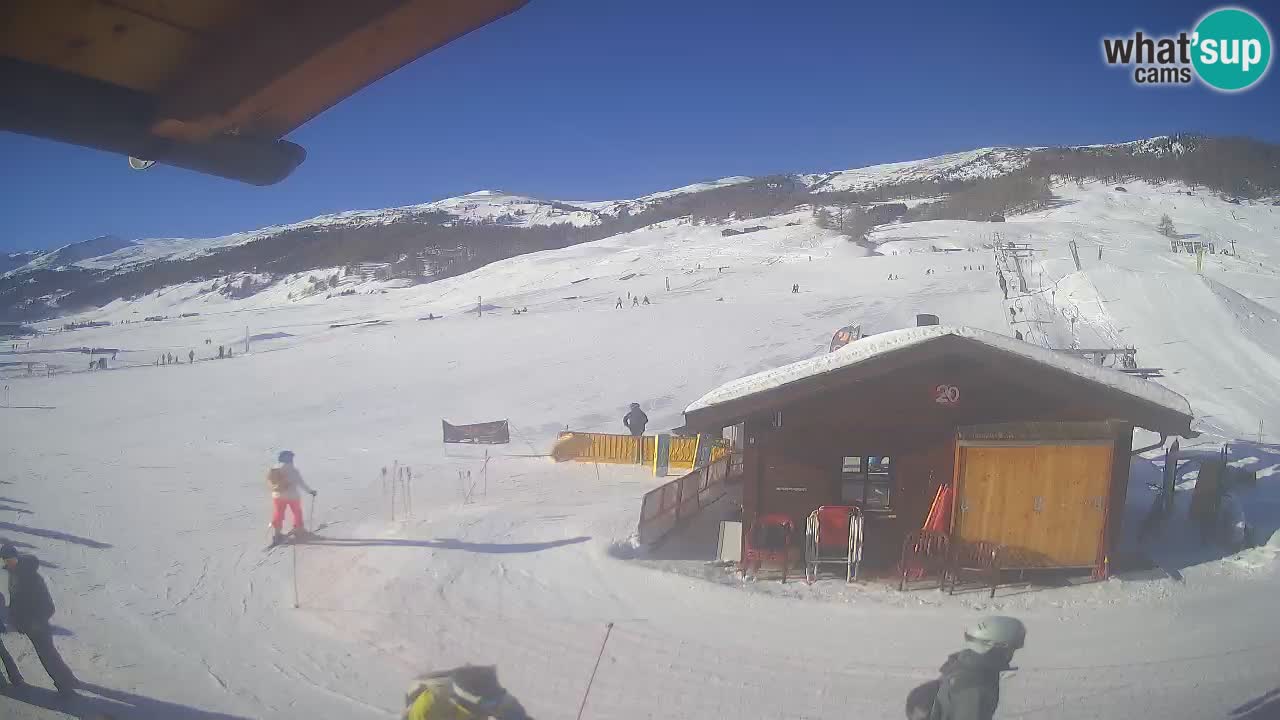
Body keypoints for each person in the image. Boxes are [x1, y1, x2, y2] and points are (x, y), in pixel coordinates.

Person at [909, 616, 1026, 720]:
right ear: (997, 647)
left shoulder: (967, 664)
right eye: (1011, 649)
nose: (1011, 655)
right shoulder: (976, 686)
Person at [1, 544, 77, 698]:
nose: (9, 562)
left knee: (47, 656)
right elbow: (16, 601)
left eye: (11, 559)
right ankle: (69, 679)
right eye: (6, 560)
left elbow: (47, 604)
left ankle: (64, 687)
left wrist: (37, 621)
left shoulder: (30, 577)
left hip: (37, 624)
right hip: (28, 624)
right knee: (50, 654)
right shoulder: (15, 573)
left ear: (16, 557)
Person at [402, 665, 529, 719]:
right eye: (489, 703)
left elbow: (515, 713)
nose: (494, 706)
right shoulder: (430, 706)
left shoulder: (492, 696)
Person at [268, 450, 317, 545]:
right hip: (292, 496)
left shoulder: (275, 469)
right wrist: (310, 491)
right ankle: (299, 530)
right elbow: (300, 483)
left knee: (279, 513)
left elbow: (271, 482)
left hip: (277, 496)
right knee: (297, 512)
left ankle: (277, 534)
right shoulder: (293, 470)